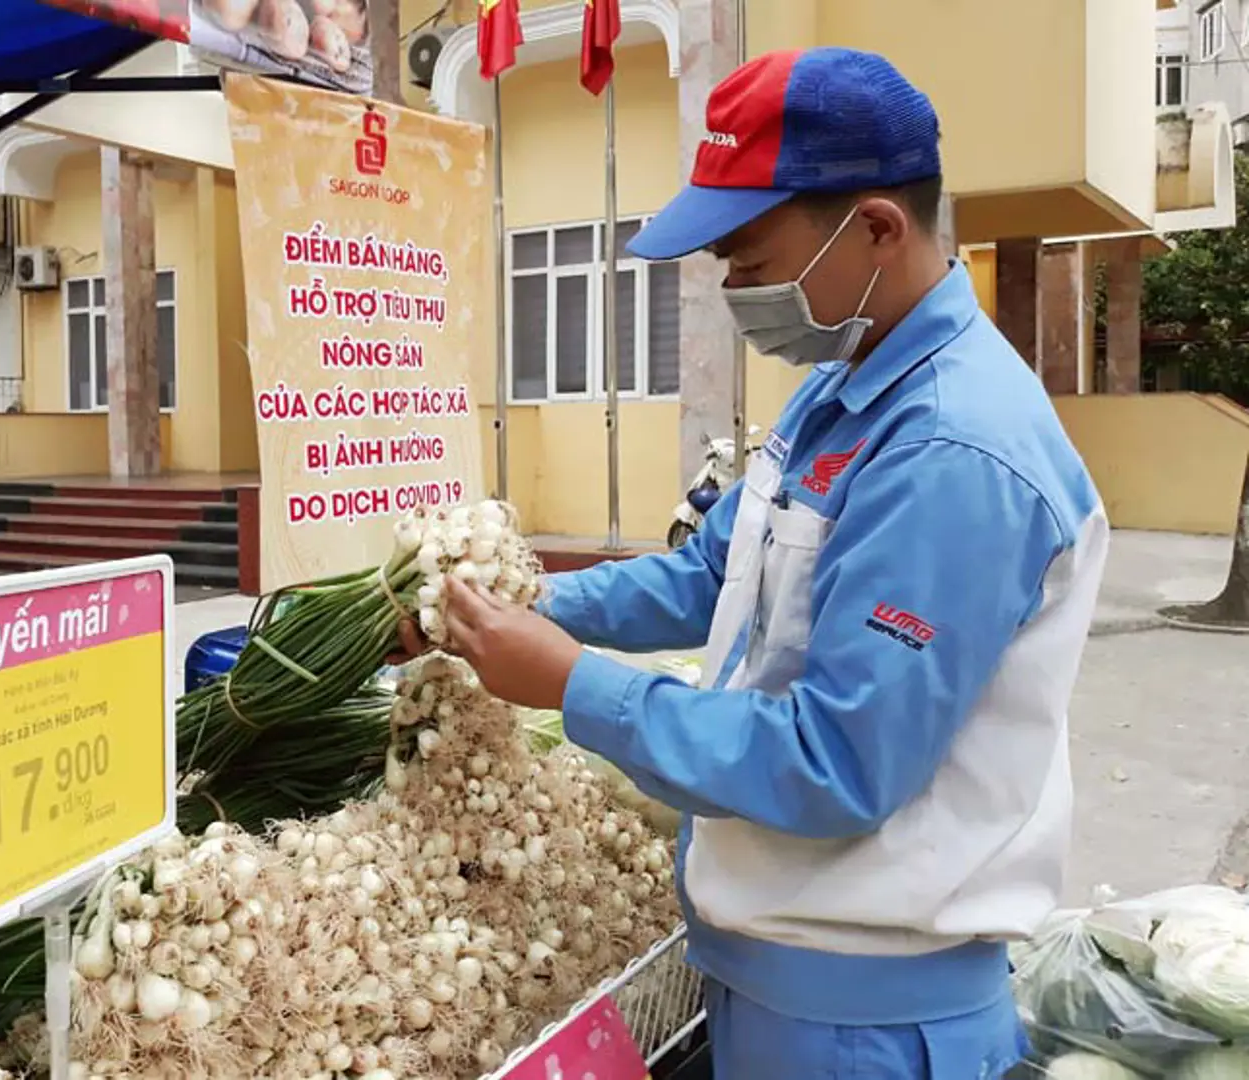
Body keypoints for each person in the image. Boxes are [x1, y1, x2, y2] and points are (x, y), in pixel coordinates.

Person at [409, 47, 1110, 1078]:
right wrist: (513, 604)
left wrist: (570, 685)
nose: (732, 288)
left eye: (748, 257)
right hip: (778, 985)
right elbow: (706, 578)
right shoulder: (849, 384)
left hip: (862, 1023)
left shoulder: (950, 452)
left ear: (875, 227)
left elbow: (835, 761)